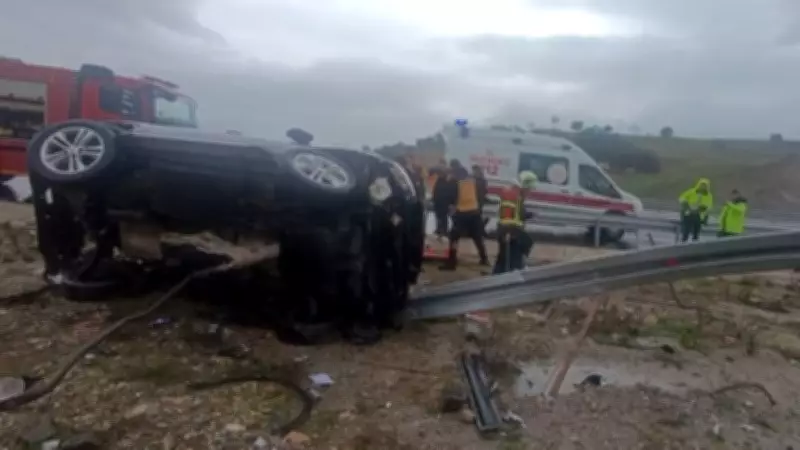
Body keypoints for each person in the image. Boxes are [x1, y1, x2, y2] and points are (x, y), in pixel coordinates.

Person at [439, 162, 489, 270]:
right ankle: (484, 259)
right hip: (474, 212)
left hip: (461, 213)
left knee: (454, 238)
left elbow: (451, 199)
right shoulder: (473, 182)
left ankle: (451, 263)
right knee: (477, 237)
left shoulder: (455, 183)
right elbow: (482, 192)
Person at [493, 171, 536, 274]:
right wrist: (509, 232)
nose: (530, 192)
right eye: (529, 189)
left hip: (509, 231)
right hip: (510, 232)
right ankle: (515, 273)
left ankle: (498, 276)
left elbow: (517, 214)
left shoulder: (516, 196)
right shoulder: (513, 196)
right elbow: (507, 217)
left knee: (503, 259)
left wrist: (528, 215)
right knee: (514, 255)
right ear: (524, 187)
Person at [678, 178, 713, 242]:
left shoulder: (708, 195)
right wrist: (685, 204)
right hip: (688, 214)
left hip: (699, 216)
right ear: (698, 185)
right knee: (685, 233)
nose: (703, 187)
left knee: (696, 235)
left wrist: (702, 211)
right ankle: (682, 246)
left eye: (705, 185)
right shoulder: (692, 191)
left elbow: (708, 206)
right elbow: (682, 198)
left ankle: (694, 249)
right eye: (702, 185)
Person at [431, 161, 456, 239]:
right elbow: (436, 190)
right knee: (439, 216)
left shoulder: (450, 180)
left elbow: (453, 191)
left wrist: (452, 202)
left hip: (445, 202)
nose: (439, 174)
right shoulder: (440, 179)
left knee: (444, 217)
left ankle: (444, 231)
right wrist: (434, 198)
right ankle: (439, 229)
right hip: (438, 201)